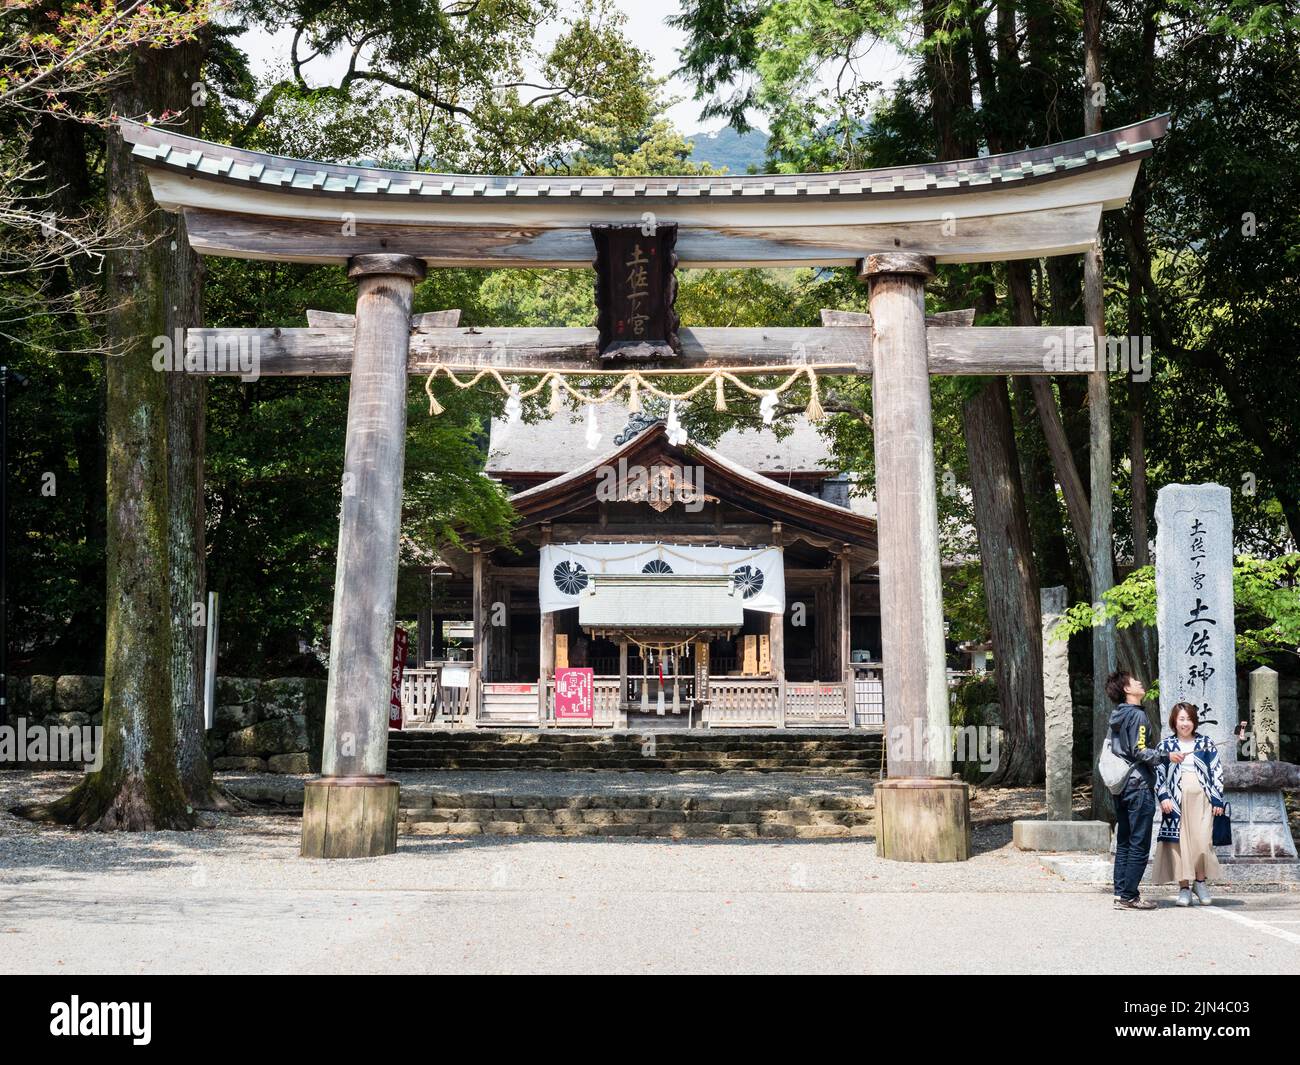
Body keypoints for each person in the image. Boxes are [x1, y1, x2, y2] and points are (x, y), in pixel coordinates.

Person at [1106, 670, 1183, 910]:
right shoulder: (1137, 715)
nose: (1140, 683)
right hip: (1138, 785)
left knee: (1125, 840)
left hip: (1121, 785)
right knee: (1139, 843)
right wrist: (1166, 756)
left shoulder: (1118, 715)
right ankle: (1130, 896)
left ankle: (1121, 893)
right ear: (1127, 690)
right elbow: (1139, 750)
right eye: (1134, 682)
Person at [1153, 702, 1225, 906]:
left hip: (1202, 797)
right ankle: (1184, 887)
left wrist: (1217, 798)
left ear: (1195, 721)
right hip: (1176, 799)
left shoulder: (1205, 743)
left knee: (1202, 841)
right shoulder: (1165, 746)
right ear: (1174, 722)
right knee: (1180, 844)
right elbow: (1158, 774)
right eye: (1181, 719)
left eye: (1189, 719)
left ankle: (1200, 883)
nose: (1185, 723)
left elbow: (1216, 771)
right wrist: (1164, 797)